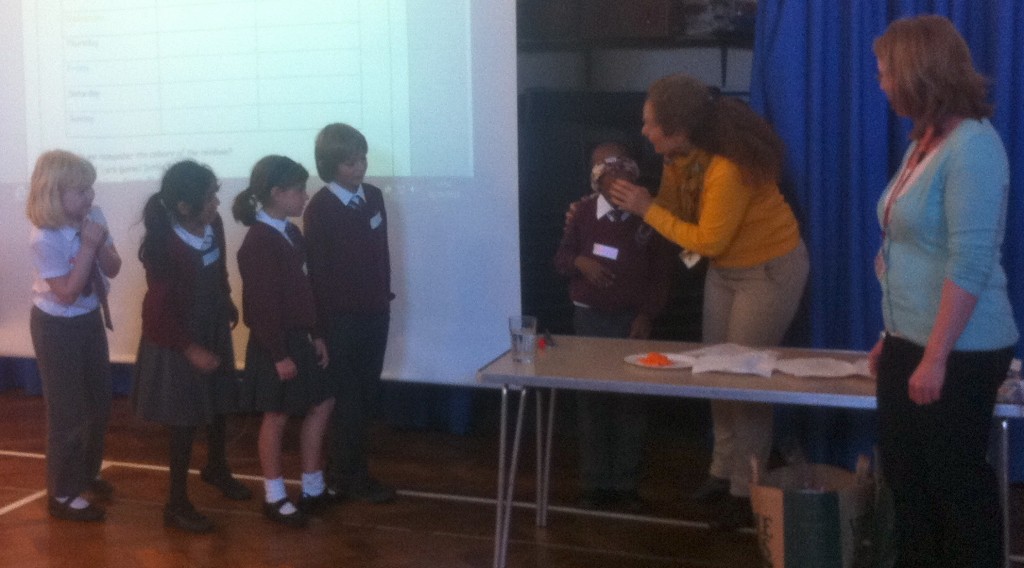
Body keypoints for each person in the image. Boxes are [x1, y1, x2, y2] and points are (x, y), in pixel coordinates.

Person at [609, 74, 809, 529]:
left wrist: (646, 208)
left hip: (767, 271)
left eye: (651, 123)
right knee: (716, 371)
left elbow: (707, 241)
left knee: (745, 380)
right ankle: (722, 471)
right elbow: (675, 213)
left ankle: (746, 490)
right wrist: (629, 202)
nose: (643, 131)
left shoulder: (726, 167)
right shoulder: (678, 156)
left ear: (678, 128)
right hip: (726, 271)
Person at [868, 15, 1018, 567]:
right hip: (911, 339)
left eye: (886, 72)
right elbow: (911, 242)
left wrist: (934, 357)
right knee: (908, 485)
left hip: (961, 349)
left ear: (917, 74)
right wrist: (892, 336)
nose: (881, 84)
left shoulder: (974, 147)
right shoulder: (926, 141)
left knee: (954, 488)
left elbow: (969, 263)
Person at [132, 160, 253, 533]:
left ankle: (216, 467)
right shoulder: (165, 246)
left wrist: (226, 297)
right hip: (177, 340)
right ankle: (177, 503)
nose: (217, 203)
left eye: (215, 195)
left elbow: (218, 269)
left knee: (219, 402)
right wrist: (190, 349)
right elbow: (157, 314)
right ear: (184, 207)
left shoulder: (213, 225)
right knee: (184, 421)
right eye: (210, 198)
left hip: (210, 326)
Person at [554, 142, 673, 511]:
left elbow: (661, 273)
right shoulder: (582, 212)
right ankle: (594, 484)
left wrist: (647, 314)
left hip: (631, 321)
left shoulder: (648, 215)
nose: (617, 178)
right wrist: (581, 261)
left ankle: (625, 484)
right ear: (596, 179)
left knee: (631, 401)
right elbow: (561, 259)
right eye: (607, 171)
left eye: (624, 170)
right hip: (589, 317)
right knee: (592, 401)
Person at [232, 155, 336, 527]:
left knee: (322, 402)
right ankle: (274, 496)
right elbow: (262, 306)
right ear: (277, 193)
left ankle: (312, 486)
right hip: (274, 342)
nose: (305, 196)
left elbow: (305, 288)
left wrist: (316, 333)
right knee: (275, 415)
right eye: (299, 190)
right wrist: (278, 354)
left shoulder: (290, 232)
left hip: (299, 336)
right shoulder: (259, 241)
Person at [26, 150, 121, 522]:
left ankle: (86, 474)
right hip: (56, 327)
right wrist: (87, 246)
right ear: (53, 193)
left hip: (88, 317)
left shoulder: (94, 216)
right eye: (81, 191)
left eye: (90, 188)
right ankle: (63, 493)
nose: (90, 196)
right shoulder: (43, 236)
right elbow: (66, 292)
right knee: (67, 411)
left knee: (99, 403)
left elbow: (113, 267)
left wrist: (100, 243)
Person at [305, 123, 396, 503]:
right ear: (330, 166)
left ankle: (351, 469)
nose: (359, 167)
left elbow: (381, 254)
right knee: (348, 400)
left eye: (362, 159)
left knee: (367, 395)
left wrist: (383, 298)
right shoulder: (320, 208)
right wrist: (320, 329)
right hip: (341, 321)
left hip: (375, 312)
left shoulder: (373, 197)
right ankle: (347, 475)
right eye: (349, 162)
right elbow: (318, 273)